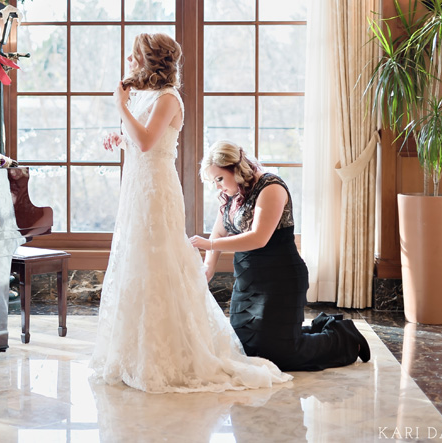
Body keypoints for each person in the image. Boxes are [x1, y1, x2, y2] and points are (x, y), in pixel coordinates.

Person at [89, 33, 291, 393]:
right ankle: (132, 351)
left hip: (156, 190)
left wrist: (120, 108)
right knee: (136, 260)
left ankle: (168, 353)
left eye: (134, 55)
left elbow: (149, 141)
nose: (128, 60)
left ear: (150, 60)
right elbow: (138, 140)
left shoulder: (169, 97)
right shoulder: (144, 95)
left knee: (158, 260)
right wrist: (117, 138)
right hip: (135, 187)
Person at [189, 141, 370, 371]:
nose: (218, 187)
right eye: (214, 181)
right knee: (248, 349)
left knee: (279, 356)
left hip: (280, 279)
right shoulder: (230, 195)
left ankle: (343, 335)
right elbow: (219, 229)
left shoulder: (271, 186)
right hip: (248, 280)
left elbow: (259, 238)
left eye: (219, 179)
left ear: (234, 169)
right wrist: (208, 268)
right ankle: (318, 326)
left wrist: (210, 244)